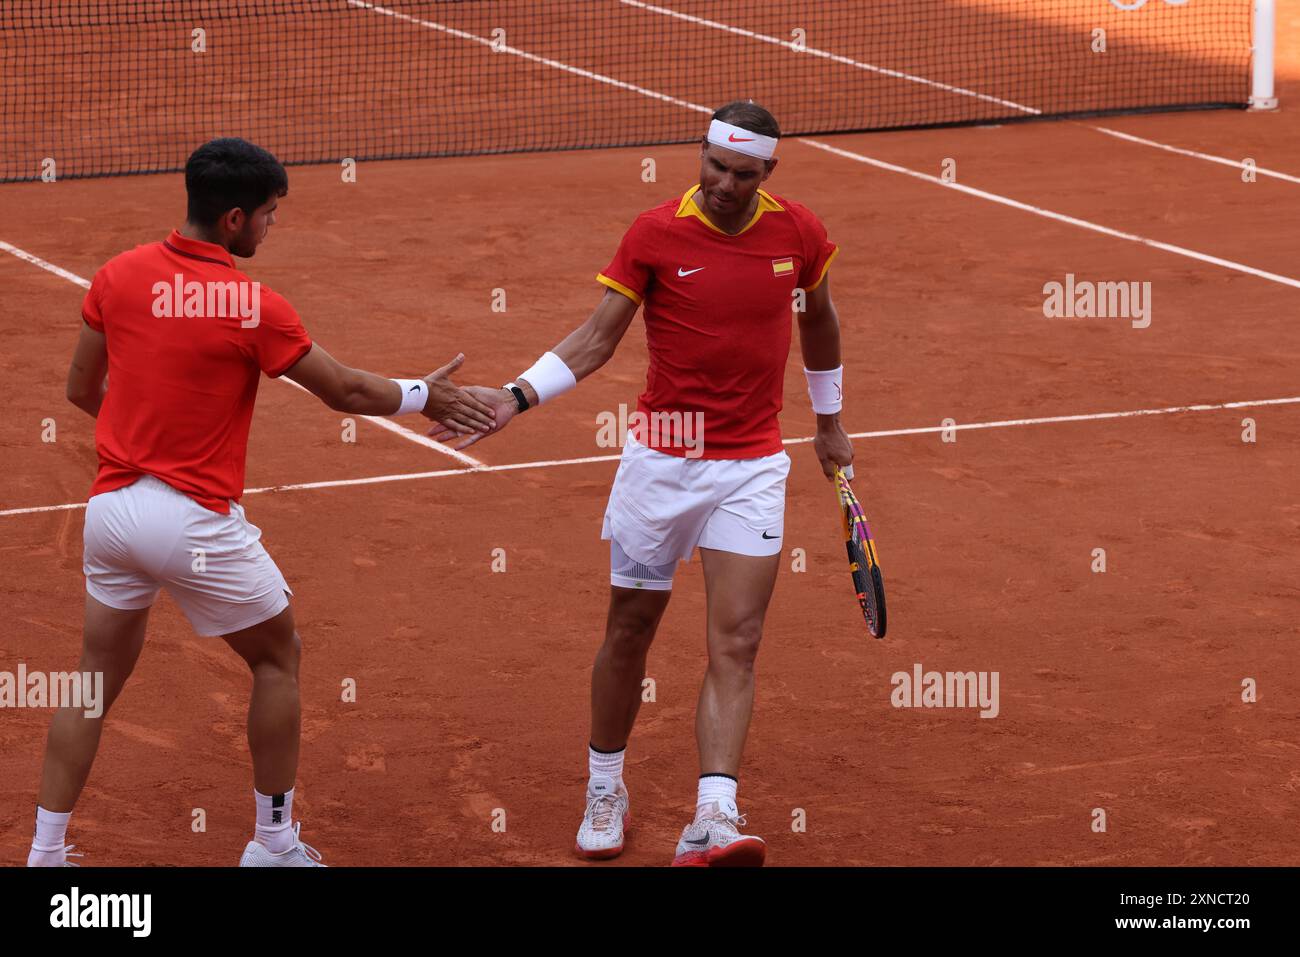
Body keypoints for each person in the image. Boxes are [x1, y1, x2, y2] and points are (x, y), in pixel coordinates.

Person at [27, 137, 496, 868]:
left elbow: (81, 391)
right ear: (236, 219)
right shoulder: (252, 305)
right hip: (193, 523)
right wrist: (424, 393)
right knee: (279, 657)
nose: (272, 228)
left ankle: (45, 856)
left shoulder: (116, 276)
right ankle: (273, 844)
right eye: (270, 216)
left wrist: (143, 435)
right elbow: (343, 389)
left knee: (92, 681)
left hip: (112, 514)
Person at [431, 101, 853, 866]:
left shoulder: (799, 233)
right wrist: (514, 397)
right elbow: (596, 338)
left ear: (769, 174)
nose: (726, 185)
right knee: (630, 628)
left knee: (739, 639)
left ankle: (715, 815)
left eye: (744, 174)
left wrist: (829, 419)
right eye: (716, 167)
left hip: (752, 465)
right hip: (661, 463)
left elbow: (818, 320)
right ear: (701, 154)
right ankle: (605, 783)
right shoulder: (656, 232)